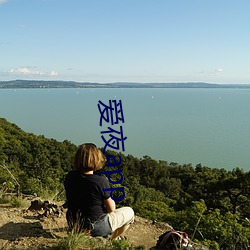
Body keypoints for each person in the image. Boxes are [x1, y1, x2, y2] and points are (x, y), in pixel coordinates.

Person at [64, 143, 134, 239]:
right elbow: (111, 209)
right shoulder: (100, 182)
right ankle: (112, 239)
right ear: (97, 160)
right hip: (95, 227)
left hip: (74, 225)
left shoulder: (70, 176)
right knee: (130, 212)